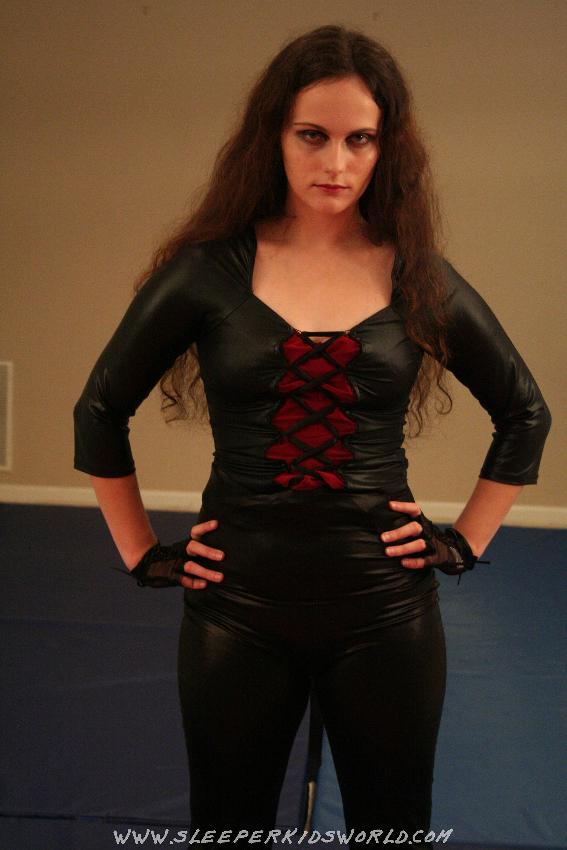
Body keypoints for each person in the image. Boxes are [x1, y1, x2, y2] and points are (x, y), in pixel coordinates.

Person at [72, 24, 551, 843]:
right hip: (237, 612)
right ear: (274, 137)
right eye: (312, 136)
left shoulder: (414, 275)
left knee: (390, 829)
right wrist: (142, 553)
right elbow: (99, 408)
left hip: (385, 614)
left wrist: (463, 542)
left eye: (359, 139)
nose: (336, 162)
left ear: (385, 148)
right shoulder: (208, 271)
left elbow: (524, 411)